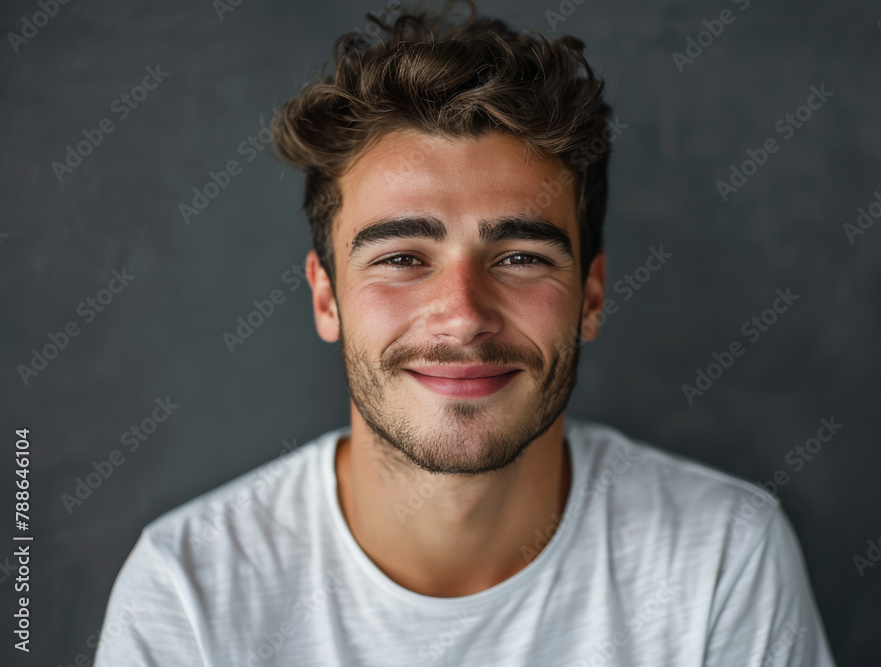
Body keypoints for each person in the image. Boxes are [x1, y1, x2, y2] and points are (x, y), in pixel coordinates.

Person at [96, 1, 837, 664]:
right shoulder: (187, 593)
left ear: (590, 295)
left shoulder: (722, 558)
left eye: (518, 257)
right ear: (327, 299)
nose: (463, 314)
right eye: (402, 258)